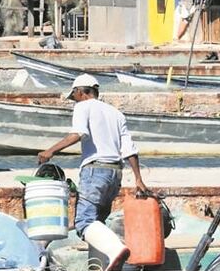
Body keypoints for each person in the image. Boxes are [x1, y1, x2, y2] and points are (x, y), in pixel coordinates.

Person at [37, 74, 147, 239]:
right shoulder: (116, 113)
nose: (74, 100)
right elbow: (129, 150)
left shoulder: (83, 106)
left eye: (74, 95)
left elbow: (78, 134)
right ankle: (101, 260)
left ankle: (113, 250)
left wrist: (50, 151)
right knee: (98, 222)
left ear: (81, 92)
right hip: (115, 174)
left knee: (84, 222)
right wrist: (138, 179)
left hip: (95, 171)